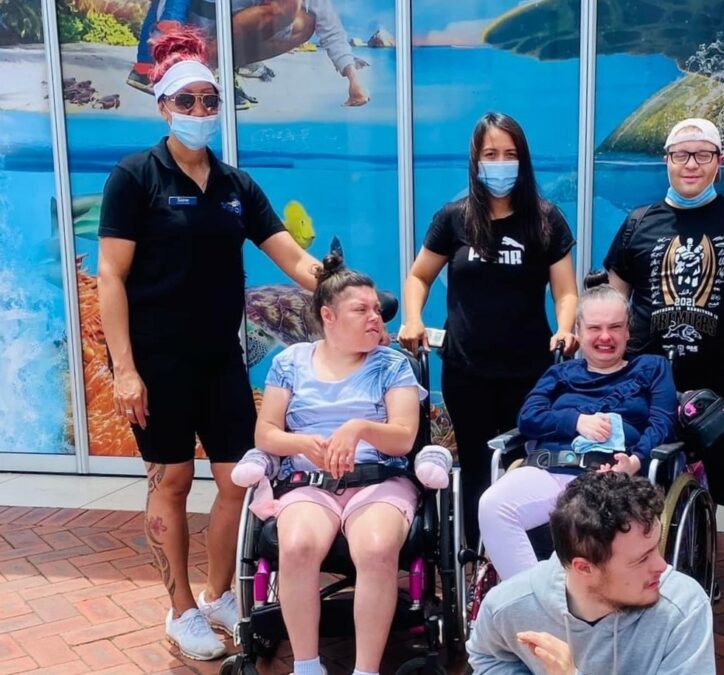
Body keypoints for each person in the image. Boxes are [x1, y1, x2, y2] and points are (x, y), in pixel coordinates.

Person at [97, 29, 321, 660]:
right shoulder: (134, 177)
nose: (199, 113)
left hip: (221, 359)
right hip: (157, 363)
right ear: (164, 106)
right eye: (186, 101)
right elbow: (110, 276)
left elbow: (292, 256)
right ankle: (180, 611)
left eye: (209, 101)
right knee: (170, 479)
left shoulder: (234, 186)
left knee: (237, 482)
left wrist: (340, 287)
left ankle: (219, 593)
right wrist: (125, 371)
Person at [399, 112, 578, 547]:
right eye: (491, 154)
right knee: (477, 468)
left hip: (530, 373)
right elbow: (419, 276)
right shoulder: (454, 218)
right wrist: (413, 317)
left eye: (510, 154)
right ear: (476, 162)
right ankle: (473, 559)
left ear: (524, 160)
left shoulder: (546, 219)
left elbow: (567, 292)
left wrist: (567, 328)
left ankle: (528, 560)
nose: (500, 163)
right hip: (466, 370)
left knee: (526, 467)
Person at [603, 117, 724, 508]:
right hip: (646, 375)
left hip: (719, 374)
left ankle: (702, 556)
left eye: (702, 155)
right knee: (640, 470)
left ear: (719, 161)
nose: (691, 164)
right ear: (666, 160)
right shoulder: (638, 222)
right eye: (681, 155)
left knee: (716, 481)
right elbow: (612, 294)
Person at [253, 254, 424, 675]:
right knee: (296, 547)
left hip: (377, 480)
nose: (375, 319)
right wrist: (302, 443)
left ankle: (365, 671)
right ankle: (308, 667)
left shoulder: (392, 365)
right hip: (309, 481)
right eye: (361, 310)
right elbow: (266, 432)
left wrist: (360, 428)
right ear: (328, 315)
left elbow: (403, 436)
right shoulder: (289, 363)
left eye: (376, 311)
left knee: (378, 548)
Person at [478, 284, 677, 580]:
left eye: (615, 327)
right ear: (579, 331)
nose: (605, 337)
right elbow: (528, 418)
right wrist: (576, 421)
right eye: (595, 328)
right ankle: (536, 602)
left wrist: (635, 461)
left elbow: (662, 423)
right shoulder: (559, 374)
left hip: (608, 476)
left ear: (627, 331)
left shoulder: (652, 368)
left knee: (595, 531)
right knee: (493, 506)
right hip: (548, 470)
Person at [467, 471, 716, 675]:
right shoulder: (509, 606)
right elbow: (486, 656)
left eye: (656, 547)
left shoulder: (684, 608)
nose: (662, 566)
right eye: (642, 559)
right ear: (584, 568)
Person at [128, 0, 369, 108]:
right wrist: (158, 51)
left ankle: (216, 65)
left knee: (303, 21)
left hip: (219, 33)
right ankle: (190, 67)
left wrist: (352, 79)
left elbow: (330, 25)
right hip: (187, 29)